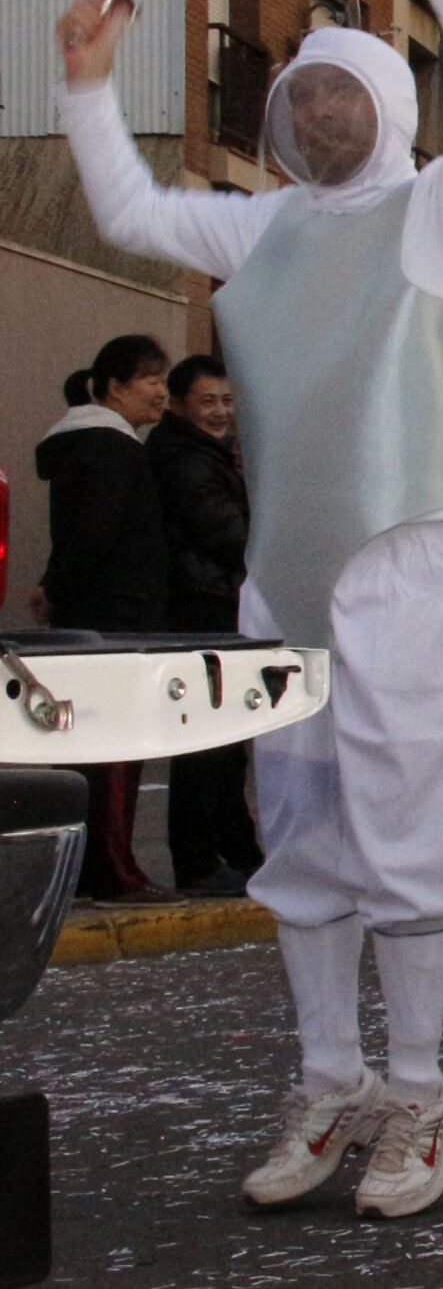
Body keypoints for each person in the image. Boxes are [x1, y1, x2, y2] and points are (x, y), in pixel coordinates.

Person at [56, 0, 443, 1219]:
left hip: (408, 556)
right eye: (303, 100)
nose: (320, 117)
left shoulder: (442, 213)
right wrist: (87, 85)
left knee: (403, 825)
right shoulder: (255, 230)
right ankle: (331, 1079)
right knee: (306, 826)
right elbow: (133, 214)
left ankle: (422, 1090)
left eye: (346, 98)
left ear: (388, 109)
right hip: (287, 572)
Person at [35, 335, 176, 904]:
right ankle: (113, 870)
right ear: (115, 387)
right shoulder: (114, 450)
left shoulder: (85, 446)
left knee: (91, 746)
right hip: (117, 620)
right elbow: (96, 536)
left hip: (97, 615)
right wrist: (59, 585)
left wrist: (53, 587)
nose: (162, 393)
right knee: (116, 745)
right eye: (151, 380)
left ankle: (96, 867)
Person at [149, 353, 265, 895]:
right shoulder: (186, 460)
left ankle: (236, 853)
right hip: (202, 609)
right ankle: (199, 861)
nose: (220, 412)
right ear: (178, 405)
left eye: (227, 400)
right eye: (207, 402)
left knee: (223, 742)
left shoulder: (210, 454)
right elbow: (226, 533)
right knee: (204, 744)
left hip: (218, 605)